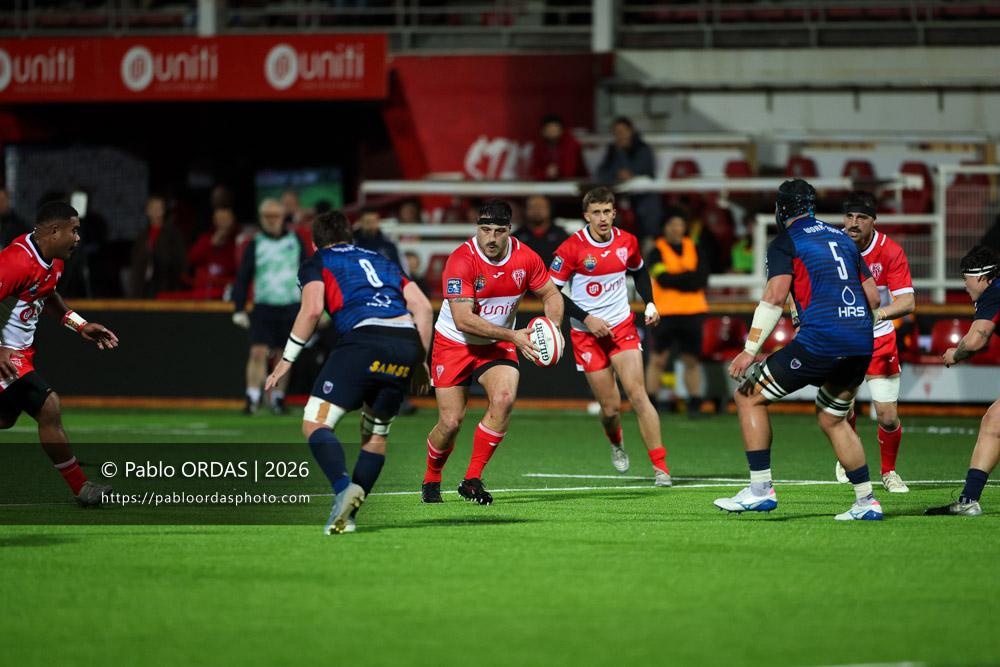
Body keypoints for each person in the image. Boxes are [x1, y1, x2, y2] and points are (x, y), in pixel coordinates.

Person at [715, 179, 884, 521]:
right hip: (861, 340)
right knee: (833, 418)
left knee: (748, 397)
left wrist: (750, 349)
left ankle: (760, 491)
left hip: (822, 340)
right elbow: (874, 298)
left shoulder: (786, 241)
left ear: (781, 209)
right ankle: (867, 502)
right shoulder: (842, 238)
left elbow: (775, 297)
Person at [264, 210, 433, 534]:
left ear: (315, 243)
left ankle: (343, 488)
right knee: (375, 433)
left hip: (364, 340)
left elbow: (312, 309)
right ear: (351, 238)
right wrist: (420, 362)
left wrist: (287, 360)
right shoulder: (382, 259)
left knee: (315, 421)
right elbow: (423, 308)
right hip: (404, 342)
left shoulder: (318, 260)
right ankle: (348, 516)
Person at [420, 198, 564, 505]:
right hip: (454, 343)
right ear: (477, 228)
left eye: (499, 231)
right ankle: (432, 477)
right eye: (485, 229)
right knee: (450, 423)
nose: (491, 238)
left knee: (505, 398)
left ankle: (471, 479)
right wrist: (514, 335)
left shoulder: (526, 258)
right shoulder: (462, 260)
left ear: (510, 230)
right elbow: (463, 319)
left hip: (496, 345)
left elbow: (551, 293)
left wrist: (553, 327)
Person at [549, 187, 671, 486]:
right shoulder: (571, 248)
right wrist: (587, 319)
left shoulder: (626, 241)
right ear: (586, 215)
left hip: (621, 327)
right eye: (596, 213)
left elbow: (640, 272)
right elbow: (551, 293)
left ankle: (661, 468)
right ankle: (616, 441)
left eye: (607, 212)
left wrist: (650, 303)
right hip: (586, 334)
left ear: (614, 212)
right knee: (611, 408)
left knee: (638, 395)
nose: (602, 218)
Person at [0, 202, 119, 505]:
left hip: (18, 358)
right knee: (48, 405)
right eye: (74, 230)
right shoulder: (15, 261)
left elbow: (47, 293)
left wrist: (79, 325)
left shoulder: (54, 263)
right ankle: (82, 488)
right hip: (6, 358)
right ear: (54, 231)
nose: (78, 237)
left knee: (4, 418)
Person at [832, 191, 916, 493]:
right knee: (842, 406)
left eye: (861, 218)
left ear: (873, 220)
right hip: (840, 340)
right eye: (849, 216)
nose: (853, 223)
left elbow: (907, 301)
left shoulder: (890, 250)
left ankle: (889, 471)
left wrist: (876, 314)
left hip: (879, 340)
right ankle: (847, 456)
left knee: (888, 417)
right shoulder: (831, 244)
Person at [924, 245, 1000, 516]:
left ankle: (969, 502)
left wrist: (955, 355)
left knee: (994, 424)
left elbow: (975, 341)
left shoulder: (993, 293)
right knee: (993, 424)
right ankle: (969, 502)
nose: (964, 285)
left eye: (966, 278)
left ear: (981, 277)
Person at [232, 198, 308, 415]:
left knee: (285, 354)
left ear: (283, 217)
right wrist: (239, 308)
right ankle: (252, 397)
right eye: (267, 216)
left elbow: (308, 274)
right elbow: (243, 277)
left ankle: (278, 399)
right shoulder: (255, 244)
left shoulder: (295, 241)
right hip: (264, 305)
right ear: (261, 218)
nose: (271, 220)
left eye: (275, 215)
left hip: (290, 304)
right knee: (257, 352)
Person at [644, 208, 709, 418]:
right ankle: (650, 403)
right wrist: (687, 278)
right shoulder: (656, 251)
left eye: (679, 224)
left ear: (684, 227)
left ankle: (695, 404)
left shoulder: (695, 248)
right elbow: (662, 278)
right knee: (658, 359)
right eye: (672, 224)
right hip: (665, 312)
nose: (676, 228)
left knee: (691, 360)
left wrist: (678, 279)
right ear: (665, 227)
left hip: (692, 312)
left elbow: (702, 278)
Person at [596, 116, 661, 241]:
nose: (620, 135)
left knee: (647, 209)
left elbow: (641, 171)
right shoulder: (613, 150)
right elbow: (602, 172)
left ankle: (647, 241)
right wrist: (617, 172)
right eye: (616, 132)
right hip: (618, 196)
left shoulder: (642, 149)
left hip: (642, 197)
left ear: (631, 131)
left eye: (623, 131)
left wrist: (623, 155)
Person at [128, 195, 189, 298]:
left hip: (166, 280)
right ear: (148, 211)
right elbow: (136, 259)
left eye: (159, 208)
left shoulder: (172, 233)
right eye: (153, 209)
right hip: (144, 283)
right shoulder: (143, 234)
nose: (156, 212)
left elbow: (180, 258)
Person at [188, 206, 239, 298]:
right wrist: (210, 244)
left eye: (225, 219)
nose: (222, 222)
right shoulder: (206, 238)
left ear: (232, 220)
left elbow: (239, 269)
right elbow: (191, 259)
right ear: (214, 221)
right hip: (203, 293)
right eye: (219, 219)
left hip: (227, 292)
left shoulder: (238, 241)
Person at [511, 194, 569, 268]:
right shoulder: (515, 238)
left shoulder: (562, 237)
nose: (537, 210)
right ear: (526, 210)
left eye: (541, 207)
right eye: (533, 207)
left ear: (549, 209)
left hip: (553, 278)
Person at [529, 113, 587, 181]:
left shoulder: (571, 143)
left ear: (561, 130)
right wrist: (545, 173)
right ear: (542, 131)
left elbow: (569, 172)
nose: (552, 134)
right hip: (547, 185)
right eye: (549, 131)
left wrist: (556, 171)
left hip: (574, 184)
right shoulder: (539, 145)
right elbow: (533, 171)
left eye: (554, 130)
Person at [353, 207, 405, 272]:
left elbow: (399, 270)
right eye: (367, 222)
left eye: (374, 221)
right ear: (359, 222)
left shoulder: (387, 243)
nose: (371, 226)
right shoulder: (350, 242)